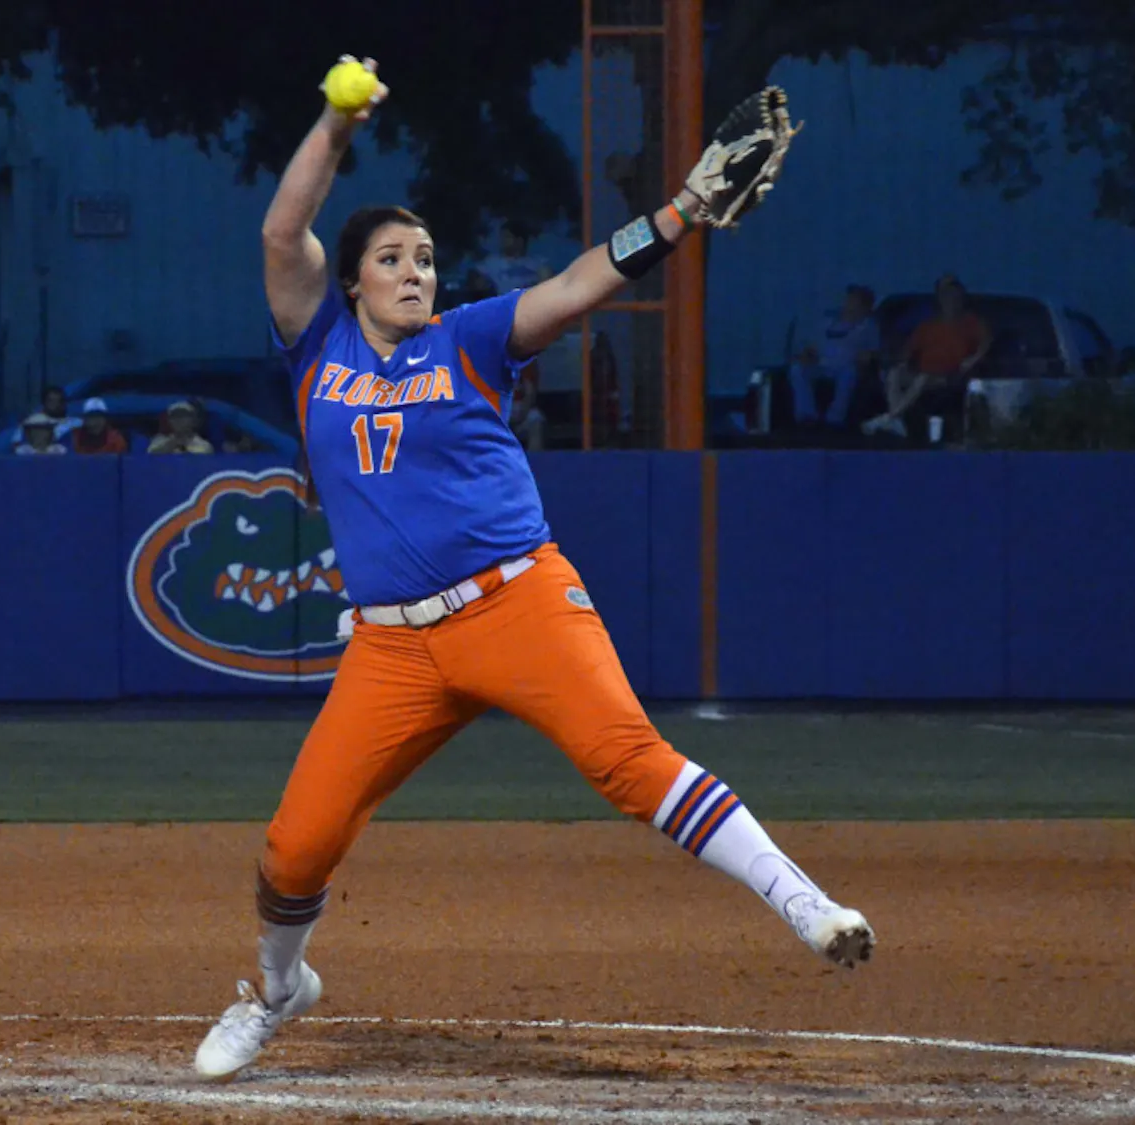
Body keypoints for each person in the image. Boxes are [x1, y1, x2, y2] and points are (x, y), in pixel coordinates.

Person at [194, 59, 873, 1081]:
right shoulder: (315, 346)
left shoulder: (468, 340)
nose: (417, 270)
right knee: (295, 851)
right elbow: (279, 234)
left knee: (626, 758)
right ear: (353, 282)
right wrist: (336, 126)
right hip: (391, 643)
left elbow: (577, 283)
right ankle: (279, 990)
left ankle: (806, 904)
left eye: (425, 255)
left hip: (515, 601)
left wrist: (682, 212)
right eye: (392, 257)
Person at [863, 275, 990, 438]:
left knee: (922, 379)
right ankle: (897, 421)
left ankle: (889, 417)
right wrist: (900, 363)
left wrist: (973, 360)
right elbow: (907, 353)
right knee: (895, 373)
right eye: (945, 294)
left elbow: (986, 344)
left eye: (954, 294)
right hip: (921, 372)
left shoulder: (971, 322)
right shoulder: (927, 327)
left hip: (952, 376)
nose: (950, 299)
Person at [787, 285, 879, 429]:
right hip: (821, 364)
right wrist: (806, 355)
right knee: (797, 370)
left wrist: (866, 359)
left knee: (849, 374)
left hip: (846, 366)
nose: (849, 303)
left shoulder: (868, 326)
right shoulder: (828, 322)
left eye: (855, 300)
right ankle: (807, 415)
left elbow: (873, 351)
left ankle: (835, 418)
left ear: (864, 306)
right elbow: (813, 346)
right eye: (849, 299)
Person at [147, 400, 214, 454]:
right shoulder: (158, 441)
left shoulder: (203, 445)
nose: (178, 420)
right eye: (174, 417)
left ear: (193, 420)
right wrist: (172, 443)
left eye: (183, 416)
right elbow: (151, 455)